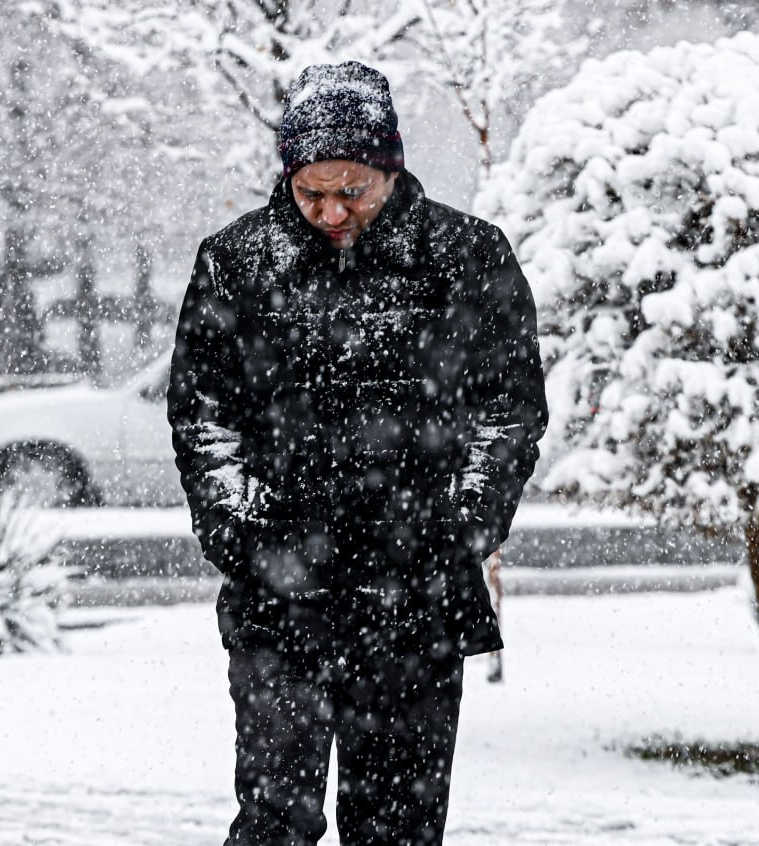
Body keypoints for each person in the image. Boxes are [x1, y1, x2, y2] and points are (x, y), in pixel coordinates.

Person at [167, 61, 548, 846]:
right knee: (277, 818)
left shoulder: (466, 256)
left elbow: (507, 411)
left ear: (391, 166)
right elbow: (205, 418)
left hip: (417, 592)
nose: (332, 211)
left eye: (353, 190)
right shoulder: (236, 262)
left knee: (399, 826)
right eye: (311, 192)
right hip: (279, 595)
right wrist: (237, 531)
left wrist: (467, 522)